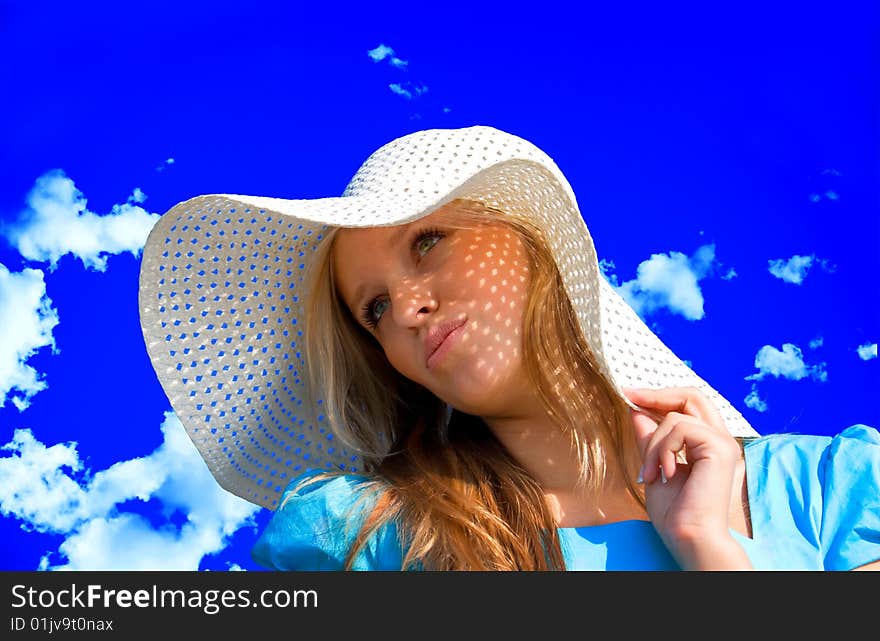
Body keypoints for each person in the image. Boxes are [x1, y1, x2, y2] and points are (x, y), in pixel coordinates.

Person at [138, 125, 880, 571]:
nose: (407, 309)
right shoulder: (375, 534)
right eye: (374, 310)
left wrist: (708, 546)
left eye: (427, 242)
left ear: (529, 240)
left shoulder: (832, 485)